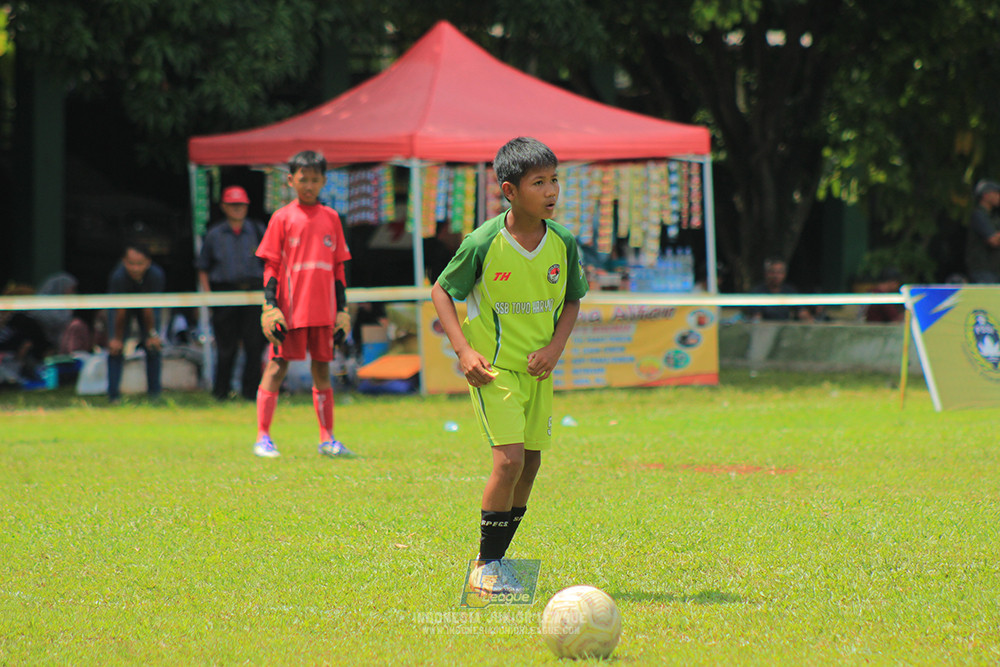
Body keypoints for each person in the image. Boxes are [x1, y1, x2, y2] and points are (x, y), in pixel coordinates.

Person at [431, 137, 589, 596]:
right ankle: (485, 565)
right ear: (510, 190)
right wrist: (464, 351)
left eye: (554, 179)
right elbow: (442, 291)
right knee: (509, 462)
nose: (551, 190)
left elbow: (574, 300)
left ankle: (499, 562)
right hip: (494, 373)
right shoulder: (483, 241)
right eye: (538, 182)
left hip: (539, 375)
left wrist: (556, 349)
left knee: (531, 465)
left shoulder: (563, 241)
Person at [254, 150, 354, 459]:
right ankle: (263, 437)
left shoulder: (332, 218)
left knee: (322, 370)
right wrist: (270, 306)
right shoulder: (281, 217)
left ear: (324, 181)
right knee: (277, 366)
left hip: (324, 311)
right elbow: (270, 265)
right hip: (290, 309)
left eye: (314, 179)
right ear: (290, 180)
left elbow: (338, 268)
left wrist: (343, 310)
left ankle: (327, 439)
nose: (308, 185)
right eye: (302, 179)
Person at [196, 185, 268, 400]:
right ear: (224, 207)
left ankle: (251, 392)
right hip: (224, 292)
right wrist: (209, 297)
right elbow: (203, 267)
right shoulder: (214, 234)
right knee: (226, 347)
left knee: (254, 346)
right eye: (233, 205)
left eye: (241, 205)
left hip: (254, 293)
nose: (238, 209)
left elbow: (272, 262)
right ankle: (221, 392)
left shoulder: (257, 230)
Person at [106, 242, 166, 402]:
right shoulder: (118, 277)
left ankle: (155, 395)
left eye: (140, 264)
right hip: (121, 309)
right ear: (124, 261)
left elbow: (150, 309)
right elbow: (120, 311)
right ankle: (113, 396)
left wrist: (152, 334)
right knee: (115, 348)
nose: (135, 268)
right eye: (130, 263)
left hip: (148, 309)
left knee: (153, 347)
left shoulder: (156, 275)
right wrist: (116, 338)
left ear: (148, 262)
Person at [745, 257, 813, 322]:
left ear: (784, 274)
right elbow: (757, 318)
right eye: (772, 272)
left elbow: (803, 313)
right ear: (766, 274)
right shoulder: (757, 292)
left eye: (779, 272)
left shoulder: (789, 291)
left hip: (785, 330)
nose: (776, 276)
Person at [965, 179, 1000, 283]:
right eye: (996, 193)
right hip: (983, 271)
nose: (998, 196)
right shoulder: (979, 215)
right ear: (985, 195)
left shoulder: (993, 217)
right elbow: (993, 240)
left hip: (994, 270)